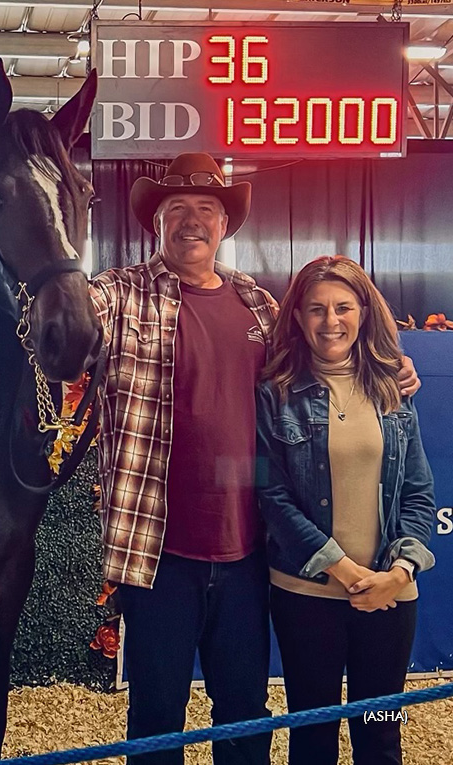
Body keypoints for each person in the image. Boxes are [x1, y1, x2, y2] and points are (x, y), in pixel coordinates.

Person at [87, 152, 420, 765]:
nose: (193, 221)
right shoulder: (116, 295)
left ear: (225, 225)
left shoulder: (259, 306)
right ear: (154, 223)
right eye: (177, 209)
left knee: (243, 713)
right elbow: (56, 319)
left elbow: (331, 347)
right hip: (159, 552)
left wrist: (392, 364)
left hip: (248, 554)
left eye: (207, 210)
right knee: (157, 713)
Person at [256, 255, 435, 765]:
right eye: (316, 309)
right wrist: (341, 566)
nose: (330, 321)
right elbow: (267, 493)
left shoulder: (394, 390)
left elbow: (419, 494)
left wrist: (398, 573)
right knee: (312, 737)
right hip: (306, 596)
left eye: (342, 307)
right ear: (297, 317)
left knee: (380, 736)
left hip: (389, 598)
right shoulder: (273, 395)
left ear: (363, 312)